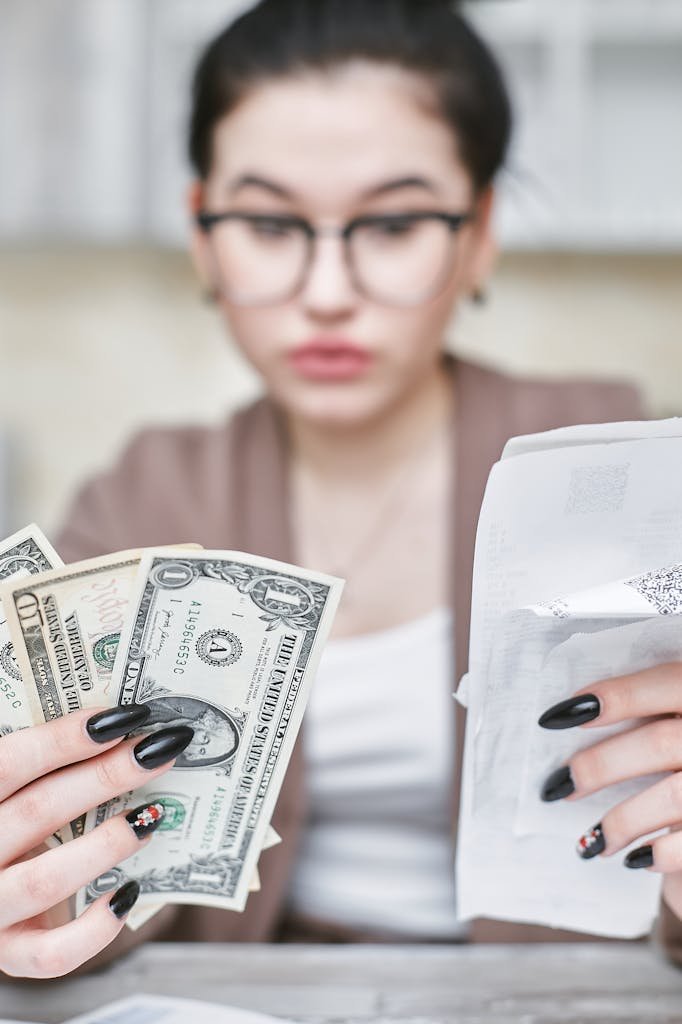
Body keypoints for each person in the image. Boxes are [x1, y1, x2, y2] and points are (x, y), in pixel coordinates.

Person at [2, 0, 682, 980]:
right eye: (268, 223)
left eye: (395, 223)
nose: (327, 291)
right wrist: (41, 898)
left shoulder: (620, 476)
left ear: (479, 233)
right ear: (203, 235)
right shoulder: (146, 494)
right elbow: (96, 891)